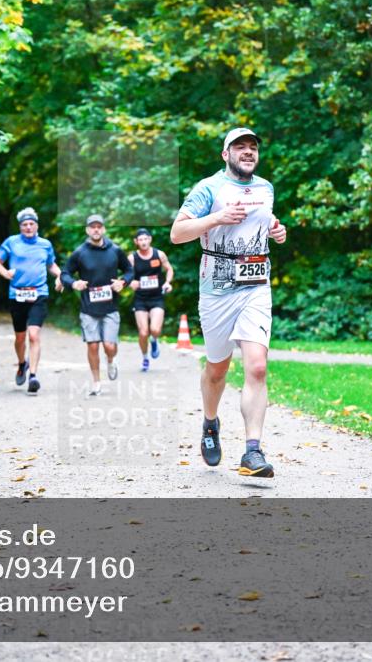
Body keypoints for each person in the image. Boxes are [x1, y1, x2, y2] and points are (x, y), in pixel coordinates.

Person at [169, 127, 288, 478]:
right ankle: (210, 423)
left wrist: (276, 230)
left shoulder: (265, 188)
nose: (248, 151)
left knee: (257, 367)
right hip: (217, 291)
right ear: (226, 155)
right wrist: (217, 218)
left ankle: (253, 452)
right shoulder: (209, 188)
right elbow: (177, 233)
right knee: (217, 368)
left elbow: (263, 222)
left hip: (256, 286)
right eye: (240, 147)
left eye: (253, 147)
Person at [61, 214, 134, 396]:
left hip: (110, 307)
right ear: (87, 230)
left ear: (103, 229)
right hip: (88, 308)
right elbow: (64, 273)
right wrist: (74, 283)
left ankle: (111, 359)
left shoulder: (115, 250)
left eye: (99, 226)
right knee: (93, 346)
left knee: (109, 346)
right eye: (92, 227)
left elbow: (129, 270)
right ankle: (96, 382)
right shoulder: (79, 253)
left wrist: (123, 282)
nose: (96, 229)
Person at [0, 207, 63, 395]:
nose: (28, 227)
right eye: (25, 224)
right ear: (20, 227)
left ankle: (33, 376)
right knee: (20, 337)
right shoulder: (12, 242)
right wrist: (5, 273)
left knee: (33, 335)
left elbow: (51, 264)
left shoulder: (45, 244)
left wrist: (60, 276)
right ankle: (21, 363)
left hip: (39, 294)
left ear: (37, 225)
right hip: (17, 295)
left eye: (32, 224)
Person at [128, 228, 174, 372]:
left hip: (156, 298)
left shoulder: (159, 254)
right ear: (136, 242)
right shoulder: (132, 258)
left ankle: (154, 341)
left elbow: (169, 269)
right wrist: (130, 282)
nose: (143, 242)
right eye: (140, 239)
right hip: (140, 299)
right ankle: (145, 358)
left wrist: (167, 283)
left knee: (154, 329)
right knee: (143, 332)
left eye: (145, 239)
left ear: (150, 239)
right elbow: (127, 275)